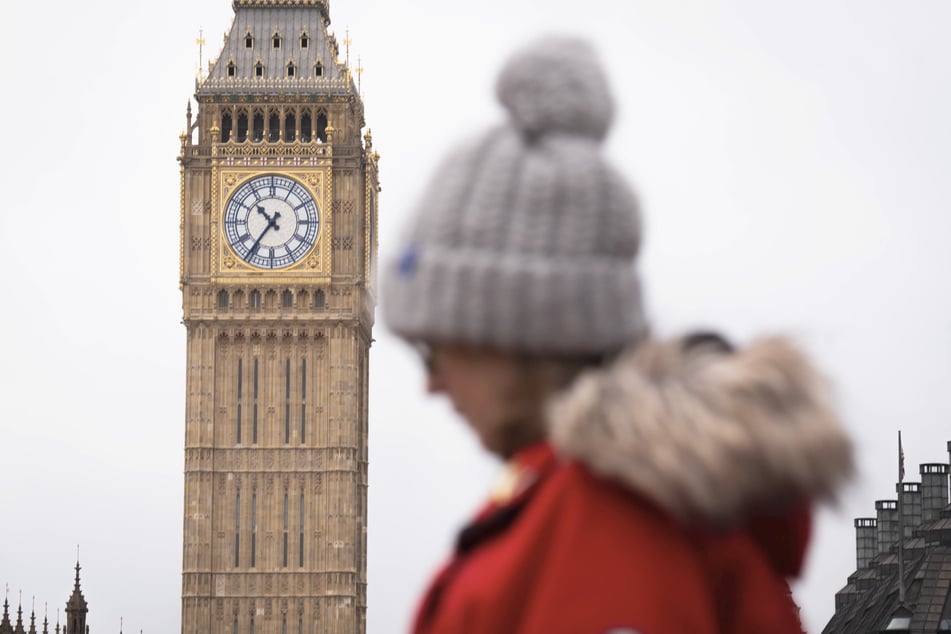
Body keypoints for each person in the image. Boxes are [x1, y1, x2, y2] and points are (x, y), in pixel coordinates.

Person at [382, 35, 854, 634]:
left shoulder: (604, 527)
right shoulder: (589, 506)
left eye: (434, 347)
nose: (432, 384)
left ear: (515, 331)